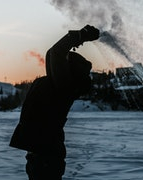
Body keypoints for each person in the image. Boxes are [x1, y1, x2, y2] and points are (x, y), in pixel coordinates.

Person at [10, 25, 100, 180]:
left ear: (71, 69)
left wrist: (79, 36)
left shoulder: (65, 84)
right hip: (42, 153)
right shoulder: (59, 82)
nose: (63, 60)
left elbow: (57, 53)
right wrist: (77, 38)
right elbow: (52, 53)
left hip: (46, 156)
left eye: (67, 61)